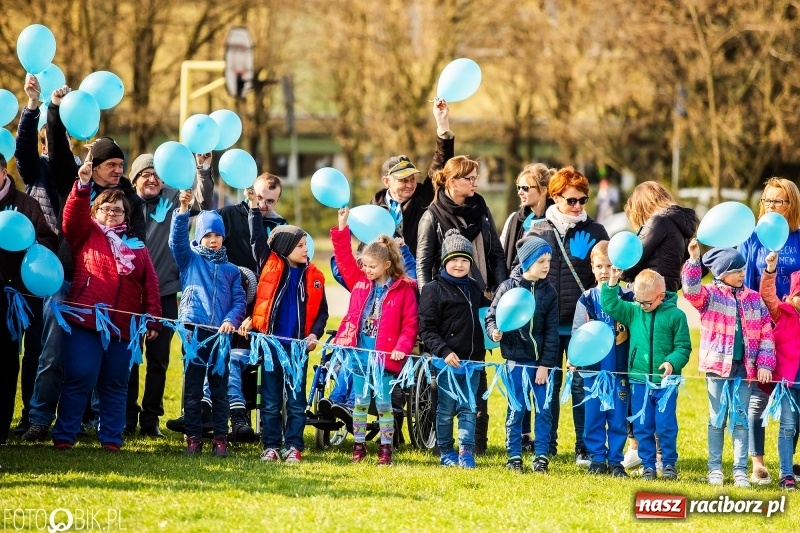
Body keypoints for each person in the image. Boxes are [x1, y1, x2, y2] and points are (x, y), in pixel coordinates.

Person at [24, 87, 145, 442]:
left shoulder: (130, 199)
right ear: (97, 166)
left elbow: (135, 246)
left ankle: (90, 422)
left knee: (98, 361)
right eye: (112, 165)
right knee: (53, 353)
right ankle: (39, 418)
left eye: (121, 166)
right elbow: (60, 151)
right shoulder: (76, 183)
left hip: (107, 291)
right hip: (67, 281)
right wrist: (55, 108)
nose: (117, 171)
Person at [52, 153, 161, 451]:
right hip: (85, 320)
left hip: (123, 326)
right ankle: (64, 436)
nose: (112, 214)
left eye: (118, 211)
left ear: (127, 217)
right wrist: (83, 184)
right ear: (95, 212)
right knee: (79, 378)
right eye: (106, 209)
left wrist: (152, 318)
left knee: (115, 383)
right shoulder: (85, 233)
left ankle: (111, 439)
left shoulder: (138, 248)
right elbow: (71, 217)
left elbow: (150, 285)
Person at [417, 155, 507, 454]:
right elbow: (423, 263)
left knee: (476, 372)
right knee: (442, 378)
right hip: (443, 300)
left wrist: (500, 289)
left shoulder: (480, 210)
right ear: (452, 181)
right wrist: (430, 297)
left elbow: (495, 251)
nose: (475, 183)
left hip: (478, 298)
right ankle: (440, 442)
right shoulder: (431, 215)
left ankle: (476, 443)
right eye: (469, 178)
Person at [125, 152, 212, 438]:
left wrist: (202, 168)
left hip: (164, 293)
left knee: (159, 360)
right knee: (129, 358)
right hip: (129, 294)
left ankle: (150, 420)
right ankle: (126, 417)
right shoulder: (124, 203)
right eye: (145, 174)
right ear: (135, 179)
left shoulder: (174, 197)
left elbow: (203, 201)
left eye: (157, 174)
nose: (152, 179)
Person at [526, 166, 609, 464]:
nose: (577, 207)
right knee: (547, 384)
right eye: (571, 200)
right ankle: (546, 445)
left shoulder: (595, 231)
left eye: (583, 200)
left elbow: (604, 274)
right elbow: (523, 272)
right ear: (555, 197)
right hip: (545, 323)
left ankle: (584, 446)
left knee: (580, 385)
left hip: (582, 324)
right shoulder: (538, 229)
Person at [682, 242, 775, 487]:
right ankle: (715, 469)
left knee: (741, 419)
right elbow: (690, 290)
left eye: (743, 269)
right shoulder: (709, 296)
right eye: (736, 270)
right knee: (717, 418)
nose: (742, 274)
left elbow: (766, 333)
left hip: (745, 369)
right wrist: (693, 260)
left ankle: (740, 471)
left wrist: (764, 363)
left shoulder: (755, 299)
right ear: (722, 273)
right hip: (717, 368)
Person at [331, 207, 418, 465]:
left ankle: (385, 450)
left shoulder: (404, 290)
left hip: (385, 357)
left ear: (387, 265)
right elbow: (344, 257)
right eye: (365, 265)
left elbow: (410, 325)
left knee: (383, 404)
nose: (367, 270)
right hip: (360, 354)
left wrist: (402, 347)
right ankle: (358, 447)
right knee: (359, 402)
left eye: (372, 266)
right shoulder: (358, 280)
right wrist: (342, 227)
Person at [242, 220, 328, 463]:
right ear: (284, 247)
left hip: (298, 350)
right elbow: (256, 239)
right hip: (271, 348)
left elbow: (322, 312)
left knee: (296, 400)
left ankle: (293, 446)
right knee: (270, 400)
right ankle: (270, 446)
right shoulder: (268, 269)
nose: (306, 249)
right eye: (300, 245)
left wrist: (314, 335)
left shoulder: (315, 276)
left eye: (306, 245)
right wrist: (253, 210)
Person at [169, 193, 246, 457]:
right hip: (194, 333)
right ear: (199, 237)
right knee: (192, 387)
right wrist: (182, 211)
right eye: (207, 236)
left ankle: (220, 439)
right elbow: (176, 241)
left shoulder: (232, 270)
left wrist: (229, 321)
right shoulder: (190, 260)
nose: (213, 241)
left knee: (219, 389)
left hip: (220, 337)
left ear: (223, 237)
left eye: (217, 236)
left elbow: (239, 303)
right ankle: (193, 437)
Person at [601, 268, 691, 480]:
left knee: (666, 424)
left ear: (661, 296)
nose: (642, 306)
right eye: (638, 301)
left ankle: (668, 463)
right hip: (639, 381)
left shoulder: (676, 316)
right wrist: (613, 282)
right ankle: (648, 464)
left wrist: (671, 362)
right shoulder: (634, 311)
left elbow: (683, 347)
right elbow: (611, 304)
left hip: (666, 384)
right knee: (642, 425)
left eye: (646, 303)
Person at [740, 177, 800, 485]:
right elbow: (744, 279)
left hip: (793, 330)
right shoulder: (753, 237)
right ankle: (758, 463)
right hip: (760, 327)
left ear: (792, 205)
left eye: (778, 201)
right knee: (758, 397)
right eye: (767, 200)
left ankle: (789, 463)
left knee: (794, 397)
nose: (771, 207)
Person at [485, 236, 559, 472]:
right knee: (516, 409)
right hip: (515, 362)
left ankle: (541, 457)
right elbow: (491, 316)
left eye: (548, 260)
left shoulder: (549, 292)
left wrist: (546, 365)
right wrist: (494, 331)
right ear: (527, 262)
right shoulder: (507, 288)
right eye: (541, 261)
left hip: (541, 365)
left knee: (544, 410)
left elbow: (551, 332)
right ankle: (514, 455)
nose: (546, 266)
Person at [419, 230, 490, 468]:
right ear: (445, 261)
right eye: (454, 260)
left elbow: (486, 314)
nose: (459, 265)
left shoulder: (474, 288)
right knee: (446, 410)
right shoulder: (433, 289)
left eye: (464, 260)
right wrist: (444, 351)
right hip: (447, 362)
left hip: (472, 363)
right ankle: (446, 451)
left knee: (470, 409)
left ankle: (465, 451)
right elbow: (427, 329)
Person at [0, 154, 57, 445]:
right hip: (1, 297)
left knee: (34, 354)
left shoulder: (27, 204)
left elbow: (48, 239)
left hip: (27, 292)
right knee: (6, 360)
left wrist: (30, 245)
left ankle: (30, 418)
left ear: (3, 172)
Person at [499, 163, 555, 451]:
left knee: (544, 387)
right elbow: (504, 255)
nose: (520, 192)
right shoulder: (515, 219)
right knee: (518, 393)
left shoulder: (555, 217)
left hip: (545, 301)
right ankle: (519, 441)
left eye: (526, 187)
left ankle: (547, 444)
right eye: (518, 187)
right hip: (517, 297)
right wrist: (506, 290)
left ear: (543, 190)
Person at [571, 241, 632, 477]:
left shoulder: (628, 297)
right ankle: (597, 458)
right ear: (592, 268)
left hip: (619, 369)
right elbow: (579, 333)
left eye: (610, 266)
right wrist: (575, 358)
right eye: (599, 266)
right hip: (593, 371)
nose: (605, 271)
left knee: (617, 417)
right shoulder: (586, 299)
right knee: (593, 415)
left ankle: (616, 461)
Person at [371, 99, 454, 256]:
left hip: (417, 274)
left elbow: (440, 165)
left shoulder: (423, 196)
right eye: (403, 180)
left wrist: (442, 125)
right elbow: (366, 245)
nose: (410, 184)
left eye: (412, 179)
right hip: (386, 275)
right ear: (387, 181)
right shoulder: (375, 205)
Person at [760, 252, 800, 490]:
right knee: (787, 426)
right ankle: (785, 474)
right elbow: (767, 295)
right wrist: (771, 270)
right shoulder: (783, 312)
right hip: (787, 383)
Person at [621, 181, 697, 292]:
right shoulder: (679, 224)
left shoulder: (658, 221)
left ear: (642, 207)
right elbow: (699, 269)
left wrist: (620, 272)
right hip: (669, 295)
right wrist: (673, 282)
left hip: (649, 294)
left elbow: (635, 258)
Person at [218, 173, 287, 274]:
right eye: (259, 197)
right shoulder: (226, 215)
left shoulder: (281, 226)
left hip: (263, 287)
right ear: (251, 192)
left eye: (270, 201)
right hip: (229, 285)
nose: (263, 205)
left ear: (277, 201)